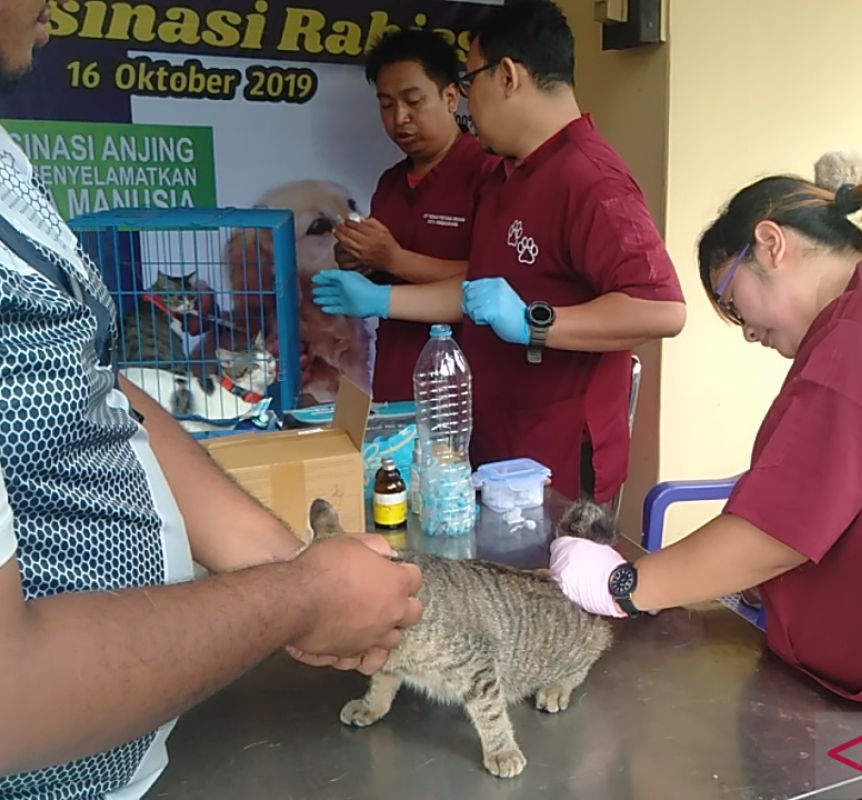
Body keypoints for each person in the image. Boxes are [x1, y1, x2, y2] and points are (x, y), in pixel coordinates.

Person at [0, 5, 424, 797]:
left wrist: (293, 563)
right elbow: (7, 697)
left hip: (138, 749)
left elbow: (93, 381)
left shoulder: (7, 162)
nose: (54, 11)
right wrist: (299, 597)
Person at [549, 154, 862, 798]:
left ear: (771, 243)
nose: (747, 332)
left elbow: (775, 529)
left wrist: (622, 584)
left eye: (733, 304)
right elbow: (857, 501)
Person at [313, 0, 686, 503]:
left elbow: (662, 309)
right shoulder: (509, 175)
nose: (467, 102)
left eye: (469, 83)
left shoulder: (590, 179)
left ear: (507, 76)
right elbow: (475, 295)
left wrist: (537, 323)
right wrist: (380, 301)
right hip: (492, 443)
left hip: (551, 465)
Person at [330, 29, 499, 402]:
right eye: (386, 104)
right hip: (395, 377)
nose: (399, 118)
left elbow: (491, 280)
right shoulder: (390, 183)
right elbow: (380, 270)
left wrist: (394, 259)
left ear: (451, 97)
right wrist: (358, 260)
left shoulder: (488, 174)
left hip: (463, 384)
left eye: (413, 101)